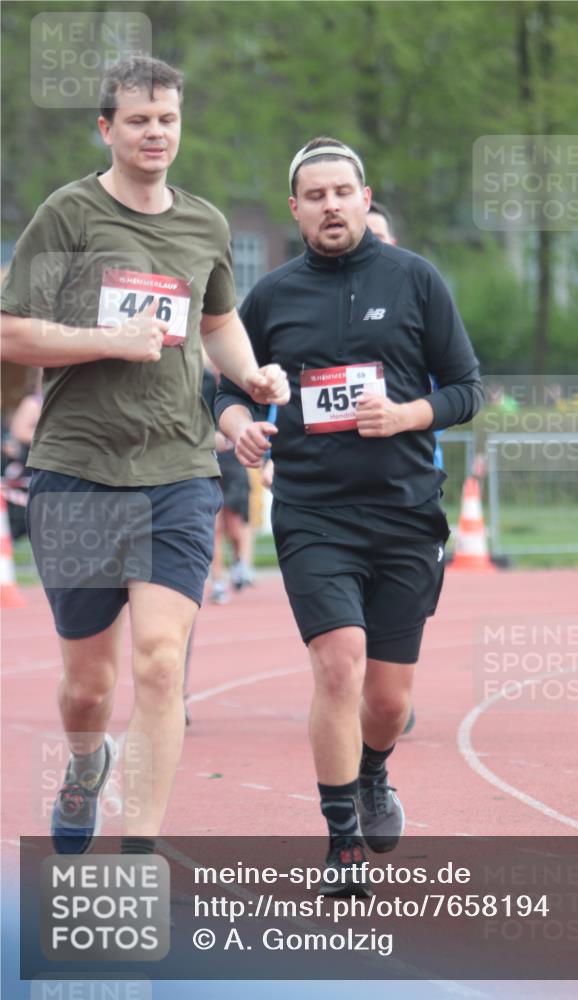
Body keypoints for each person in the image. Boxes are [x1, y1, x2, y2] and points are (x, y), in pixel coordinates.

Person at [0, 56, 288, 855]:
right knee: (88, 687)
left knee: (161, 664)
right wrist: (106, 339)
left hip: (179, 472)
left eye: (167, 119)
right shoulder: (68, 215)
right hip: (79, 473)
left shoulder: (205, 224)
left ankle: (140, 849)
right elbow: (11, 331)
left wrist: (250, 373)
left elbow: (215, 322)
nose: (155, 133)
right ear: (107, 128)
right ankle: (85, 763)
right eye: (137, 120)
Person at [216, 137, 482, 894]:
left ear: (364, 200)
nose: (330, 206)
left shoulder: (415, 279)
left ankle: (372, 771)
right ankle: (341, 844)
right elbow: (226, 389)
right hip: (313, 513)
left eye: (342, 192)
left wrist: (405, 415)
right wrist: (241, 426)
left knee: (388, 701)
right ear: (295, 209)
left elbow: (466, 388)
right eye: (315, 196)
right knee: (338, 664)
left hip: (404, 512)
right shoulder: (270, 297)